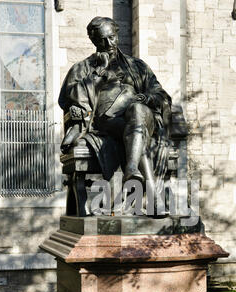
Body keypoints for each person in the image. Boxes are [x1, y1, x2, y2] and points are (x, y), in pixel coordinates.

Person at [59, 16, 172, 188]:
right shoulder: (82, 68)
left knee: (137, 111)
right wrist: (99, 75)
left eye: (112, 37)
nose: (109, 43)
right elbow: (68, 97)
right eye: (102, 40)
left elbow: (160, 93)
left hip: (140, 115)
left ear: (117, 34)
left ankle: (132, 168)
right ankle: (149, 191)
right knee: (137, 130)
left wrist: (148, 98)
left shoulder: (137, 66)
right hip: (107, 123)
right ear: (94, 41)